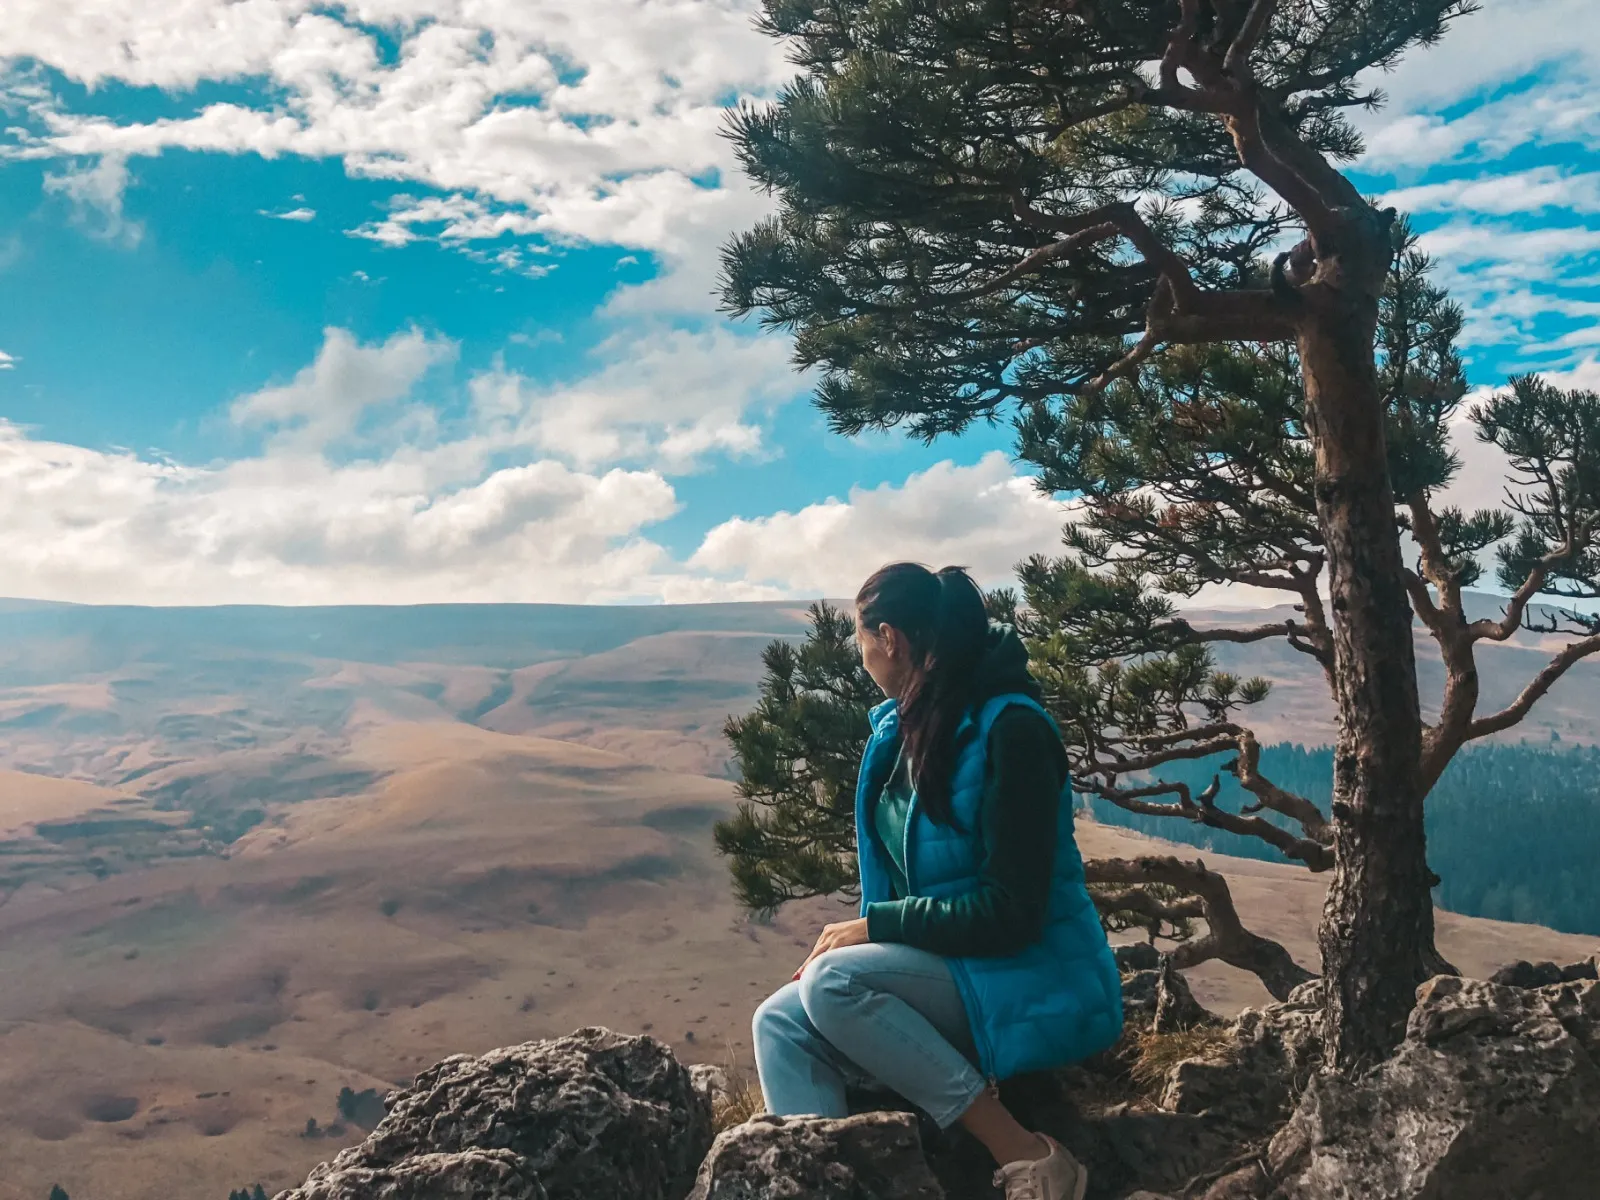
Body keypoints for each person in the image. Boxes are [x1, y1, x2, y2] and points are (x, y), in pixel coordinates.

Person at [751, 562, 1123, 1200]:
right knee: (779, 1021)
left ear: (888, 637)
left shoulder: (1013, 731)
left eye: (861, 639)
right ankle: (828, 1186)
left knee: (833, 982)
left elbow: (1014, 912)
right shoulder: (900, 732)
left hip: (1033, 975)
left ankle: (1031, 1155)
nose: (863, 652)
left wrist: (874, 933)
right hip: (958, 971)